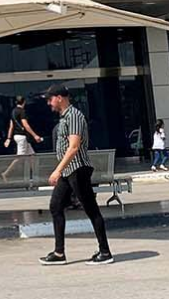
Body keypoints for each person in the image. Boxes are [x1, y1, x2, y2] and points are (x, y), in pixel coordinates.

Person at [38, 86, 113, 266]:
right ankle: (59, 253)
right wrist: (61, 170)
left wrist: (57, 170)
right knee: (56, 206)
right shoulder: (64, 117)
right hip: (68, 171)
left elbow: (74, 147)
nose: (49, 103)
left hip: (78, 169)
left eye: (50, 99)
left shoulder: (74, 116)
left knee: (91, 209)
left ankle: (105, 252)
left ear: (59, 98)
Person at [1, 95, 43, 180]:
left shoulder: (13, 112)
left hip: (17, 136)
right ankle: (6, 173)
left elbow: (11, 126)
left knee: (32, 156)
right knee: (19, 158)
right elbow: (25, 125)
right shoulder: (22, 111)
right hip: (22, 137)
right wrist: (35, 135)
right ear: (24, 102)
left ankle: (35, 175)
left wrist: (8, 138)